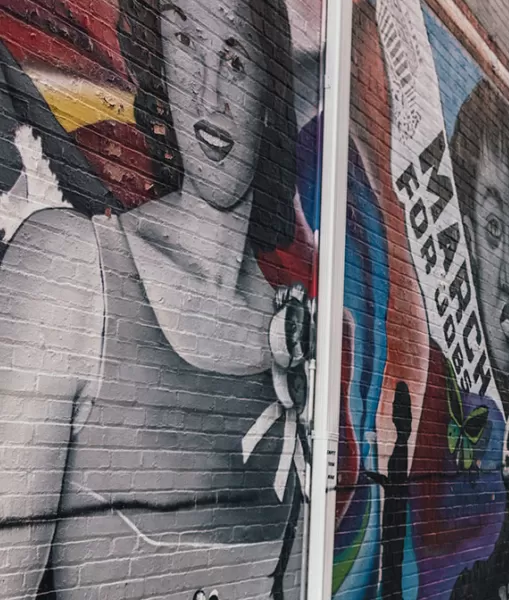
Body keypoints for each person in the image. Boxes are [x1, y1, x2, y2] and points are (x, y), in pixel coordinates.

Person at [0, 0, 309, 596]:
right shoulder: (70, 270)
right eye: (186, 42)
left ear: (271, 95)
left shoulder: (296, 334)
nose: (210, 94)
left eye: (236, 60)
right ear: (159, 61)